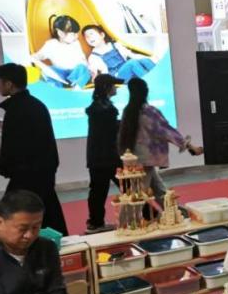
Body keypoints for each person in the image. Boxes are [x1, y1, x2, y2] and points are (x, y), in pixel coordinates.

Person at [0, 63, 66, 235]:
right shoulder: (37, 105)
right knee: (48, 215)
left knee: (15, 217)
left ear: (9, 84)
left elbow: (12, 147)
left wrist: (4, 166)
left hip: (26, 175)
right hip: (43, 171)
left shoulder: (15, 110)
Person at [117, 77, 203, 206]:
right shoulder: (149, 111)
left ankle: (176, 213)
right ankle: (129, 220)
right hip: (146, 160)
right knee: (138, 198)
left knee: (159, 190)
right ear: (145, 91)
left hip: (135, 159)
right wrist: (192, 147)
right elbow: (166, 131)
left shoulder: (127, 111)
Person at [0, 190, 66, 294]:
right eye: (22, 229)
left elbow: (56, 290)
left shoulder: (47, 247)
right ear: (0, 223)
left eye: (36, 227)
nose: (29, 235)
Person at [85, 74, 120, 233]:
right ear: (107, 87)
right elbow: (110, 132)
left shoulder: (98, 107)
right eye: (114, 85)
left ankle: (96, 222)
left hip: (98, 157)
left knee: (98, 191)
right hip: (107, 156)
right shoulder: (105, 109)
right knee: (129, 187)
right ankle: (149, 215)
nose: (116, 87)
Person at [30, 14, 92, 89]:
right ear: (61, 33)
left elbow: (82, 59)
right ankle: (55, 88)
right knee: (49, 70)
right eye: (73, 34)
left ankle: (76, 87)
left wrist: (87, 67)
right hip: (61, 74)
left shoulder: (76, 43)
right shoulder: (51, 44)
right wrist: (34, 57)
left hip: (75, 74)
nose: (77, 36)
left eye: (77, 34)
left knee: (83, 68)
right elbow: (40, 55)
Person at [82, 24, 155, 82]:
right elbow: (101, 72)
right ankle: (150, 83)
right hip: (115, 77)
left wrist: (150, 57)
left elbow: (132, 55)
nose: (89, 37)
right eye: (86, 37)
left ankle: (159, 77)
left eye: (91, 34)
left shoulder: (115, 45)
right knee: (132, 63)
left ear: (102, 35)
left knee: (145, 60)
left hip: (127, 70)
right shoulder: (93, 56)